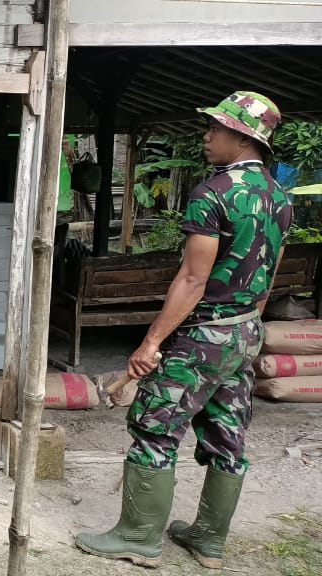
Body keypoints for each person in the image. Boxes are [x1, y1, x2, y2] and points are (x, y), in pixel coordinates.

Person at [74, 91, 291, 569]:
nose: (207, 136)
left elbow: (193, 279)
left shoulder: (214, 192)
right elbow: (269, 273)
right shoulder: (278, 196)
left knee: (155, 424)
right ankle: (209, 540)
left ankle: (138, 537)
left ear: (243, 138)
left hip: (204, 336)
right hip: (245, 331)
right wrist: (248, 324)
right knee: (227, 430)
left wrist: (151, 341)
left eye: (216, 129)